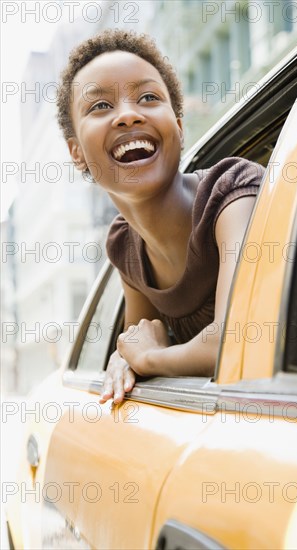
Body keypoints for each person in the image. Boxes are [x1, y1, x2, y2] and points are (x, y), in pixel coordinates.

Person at [56, 29, 265, 404]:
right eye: (100, 106)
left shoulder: (232, 192)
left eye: (149, 97)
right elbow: (135, 339)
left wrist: (150, 358)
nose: (128, 115)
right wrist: (124, 359)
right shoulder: (125, 246)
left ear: (179, 128)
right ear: (77, 154)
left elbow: (237, 341)